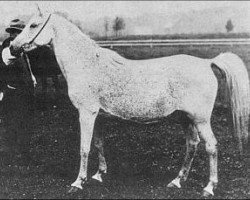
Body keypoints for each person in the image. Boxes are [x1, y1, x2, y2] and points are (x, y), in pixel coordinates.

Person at [0, 18, 35, 165]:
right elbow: (9, 58)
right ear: (12, 33)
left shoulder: (21, 48)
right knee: (12, 124)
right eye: (15, 32)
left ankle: (23, 154)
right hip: (12, 93)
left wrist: (32, 78)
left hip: (25, 92)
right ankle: (11, 155)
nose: (17, 35)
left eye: (19, 32)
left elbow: (26, 65)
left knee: (25, 123)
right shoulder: (8, 46)